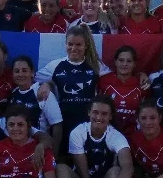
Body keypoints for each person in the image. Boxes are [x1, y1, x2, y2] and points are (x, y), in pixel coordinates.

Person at [55, 96, 135, 178]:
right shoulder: (78, 132)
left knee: (116, 171)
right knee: (61, 168)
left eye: (104, 114)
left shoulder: (115, 136)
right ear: (88, 113)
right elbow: (84, 173)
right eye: (95, 112)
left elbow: (128, 166)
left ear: (110, 116)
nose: (99, 117)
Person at [36, 25, 112, 155]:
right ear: (65, 44)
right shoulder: (56, 66)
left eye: (78, 45)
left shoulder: (95, 65)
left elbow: (116, 78)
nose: (74, 48)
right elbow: (33, 79)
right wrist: (45, 84)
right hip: (64, 124)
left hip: (89, 124)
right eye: (70, 44)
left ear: (86, 45)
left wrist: (141, 76)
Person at [8, 56, 63, 144]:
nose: (20, 74)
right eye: (17, 71)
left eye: (24, 70)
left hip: (38, 147)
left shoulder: (43, 93)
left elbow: (57, 125)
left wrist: (54, 154)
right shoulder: (13, 94)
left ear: (32, 73)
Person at [97, 45, 145, 135]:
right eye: (121, 60)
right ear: (115, 62)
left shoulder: (142, 83)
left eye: (129, 61)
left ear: (134, 64)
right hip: (107, 133)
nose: (125, 64)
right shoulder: (103, 80)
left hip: (133, 134)